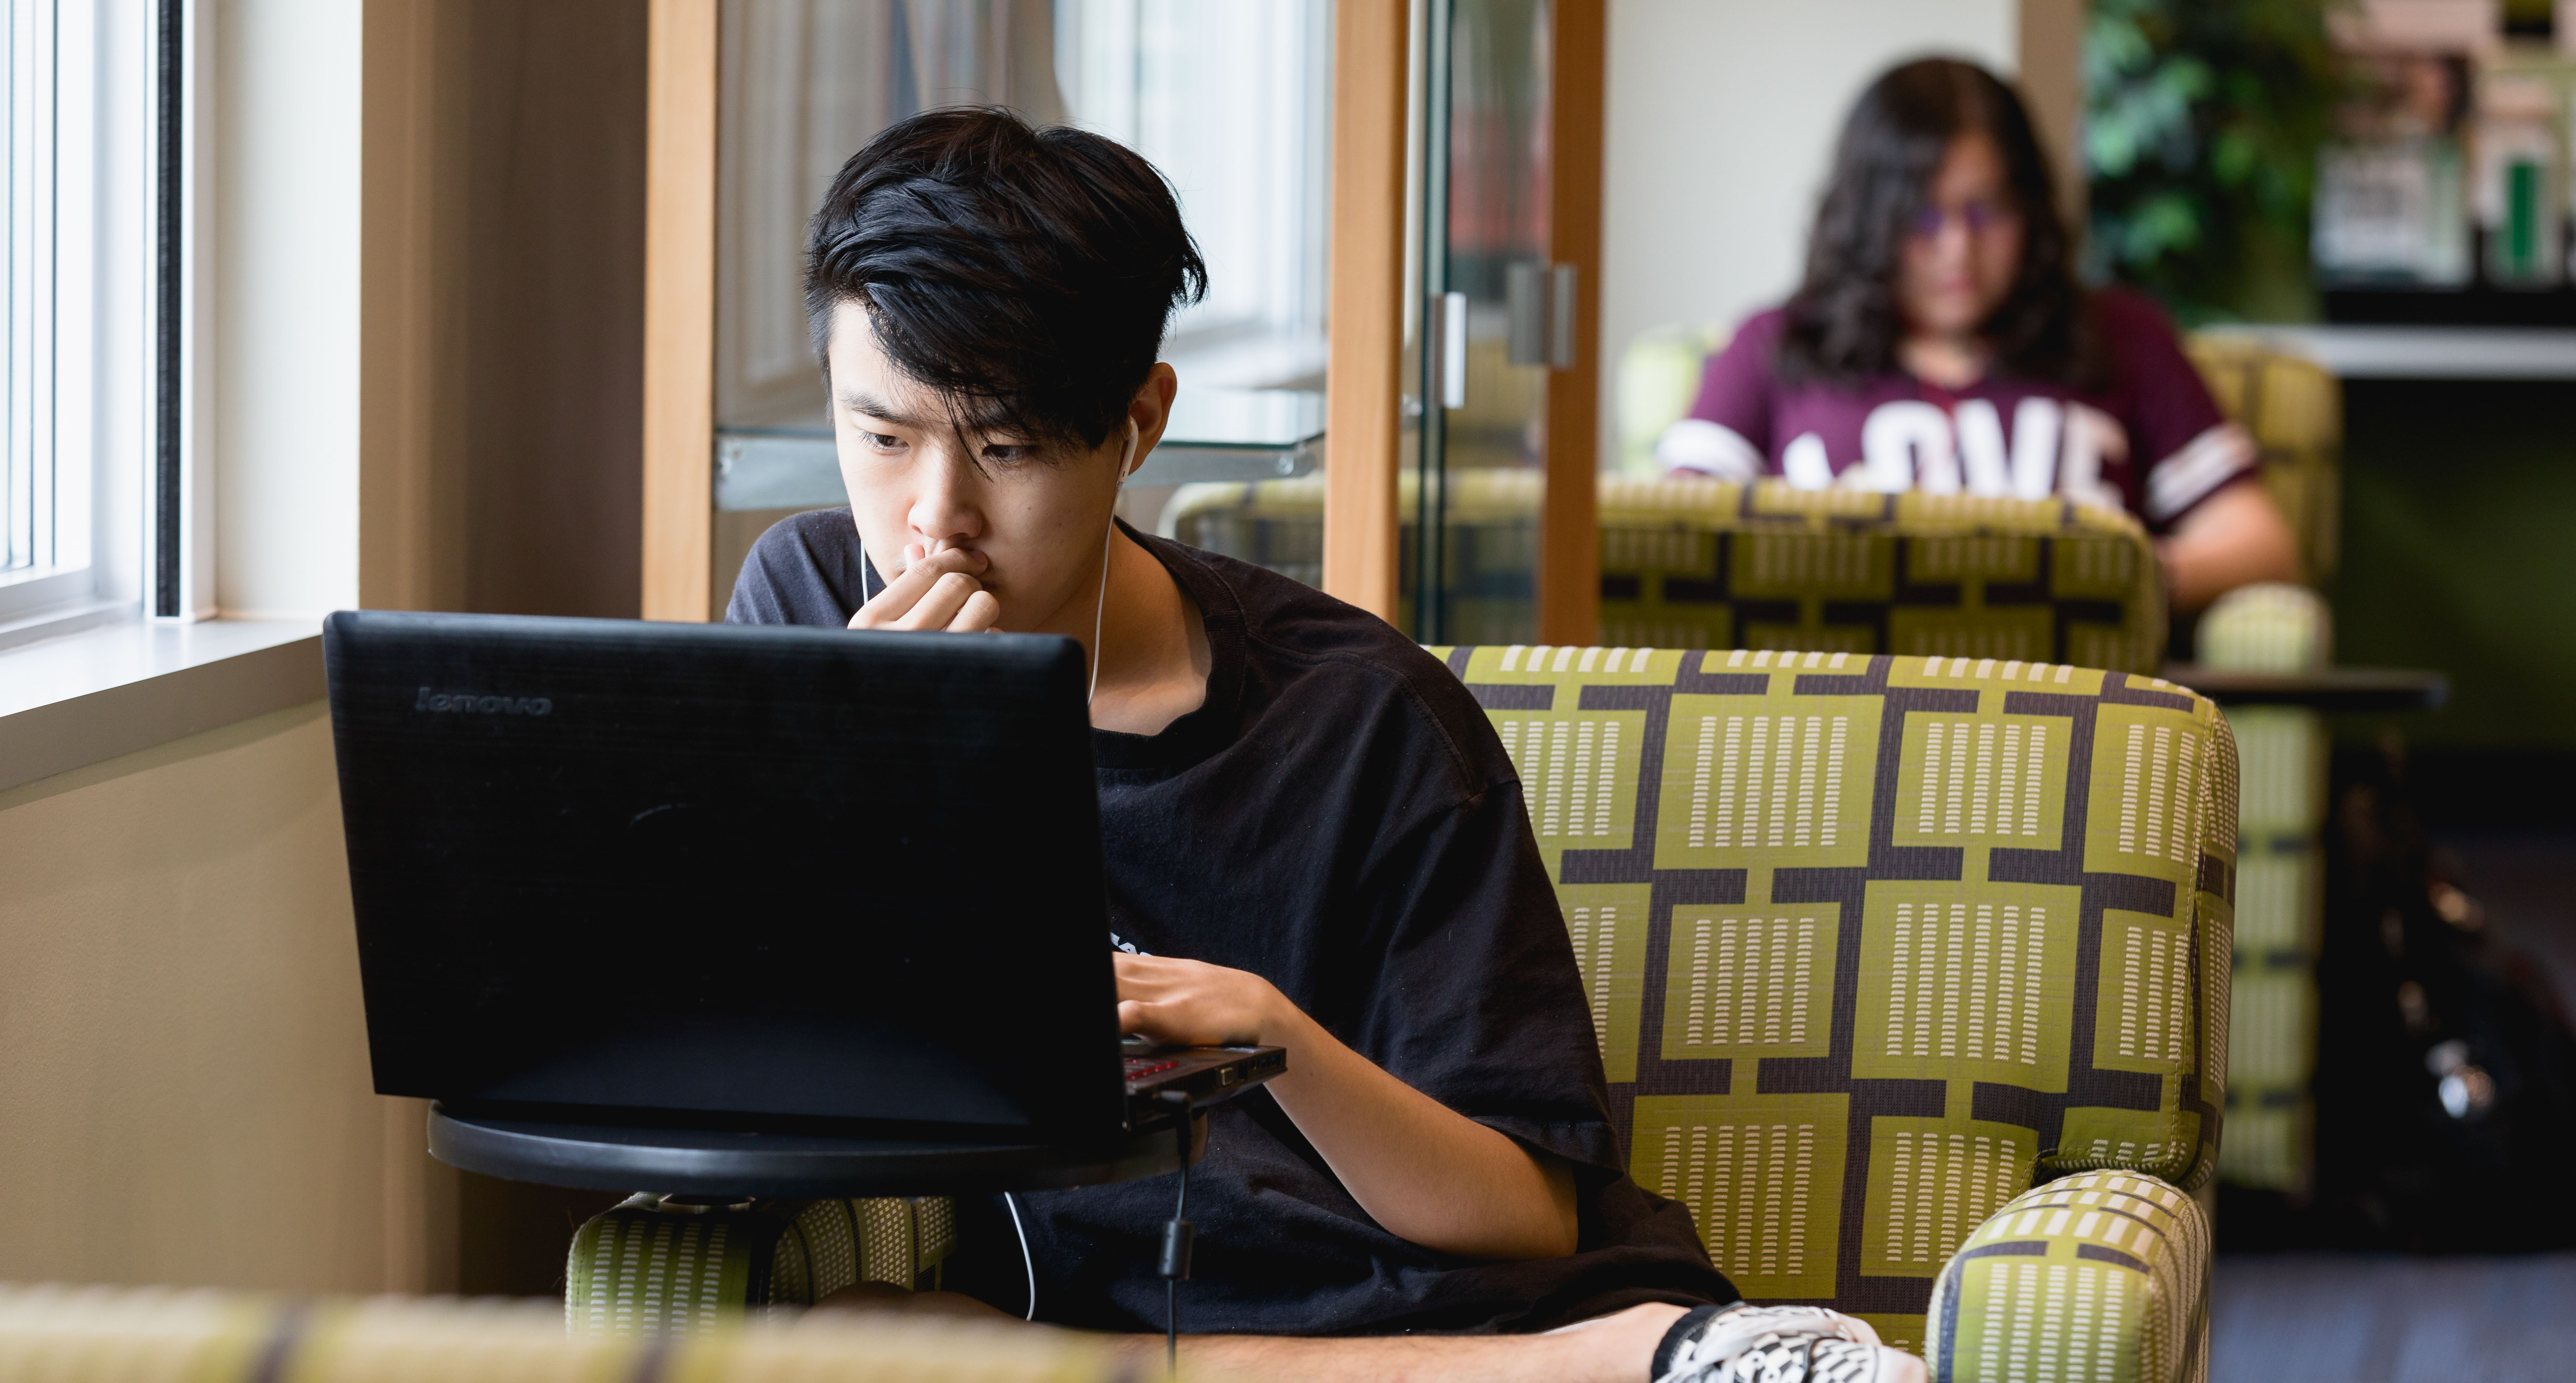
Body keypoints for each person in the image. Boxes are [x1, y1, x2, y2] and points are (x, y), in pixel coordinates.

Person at [726, 109, 1925, 1383]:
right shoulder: (815, 613)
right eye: (882, 436)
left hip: (1446, 1308)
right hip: (1095, 1319)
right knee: (873, 1339)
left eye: (1007, 447)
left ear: (1137, 424)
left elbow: (1526, 1212)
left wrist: (1267, 1034)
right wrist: (873, 771)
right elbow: (743, 1064)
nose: (933, 522)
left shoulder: (1360, 720)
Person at [1656, 58, 2299, 610]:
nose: (1956, 249)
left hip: (2072, 721)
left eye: (1986, 211)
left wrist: (2114, 579)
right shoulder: (1777, 344)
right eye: (1922, 217)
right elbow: (1673, 541)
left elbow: (2260, 542)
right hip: (1836, 726)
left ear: (2030, 210)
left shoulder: (2120, 335)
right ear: (1869, 220)